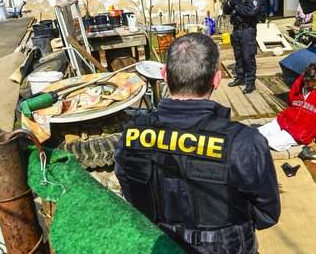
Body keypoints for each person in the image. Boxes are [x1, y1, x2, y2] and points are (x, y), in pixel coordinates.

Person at [114, 33, 281, 253]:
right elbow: (267, 213)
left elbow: (132, 192)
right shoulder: (245, 143)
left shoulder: (132, 134)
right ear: (217, 79)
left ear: (164, 75)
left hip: (159, 243)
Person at [258, 62, 316, 151]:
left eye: (309, 82)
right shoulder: (299, 85)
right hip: (284, 120)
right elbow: (290, 101)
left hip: (299, 133)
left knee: (269, 142)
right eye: (305, 80)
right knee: (259, 132)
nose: (306, 83)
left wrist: (314, 132)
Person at [223, 0, 260, 94]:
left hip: (247, 30)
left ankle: (250, 82)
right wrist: (231, 5)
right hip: (237, 29)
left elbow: (251, 12)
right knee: (238, 56)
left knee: (248, 56)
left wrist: (237, 6)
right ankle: (240, 77)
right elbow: (226, 8)